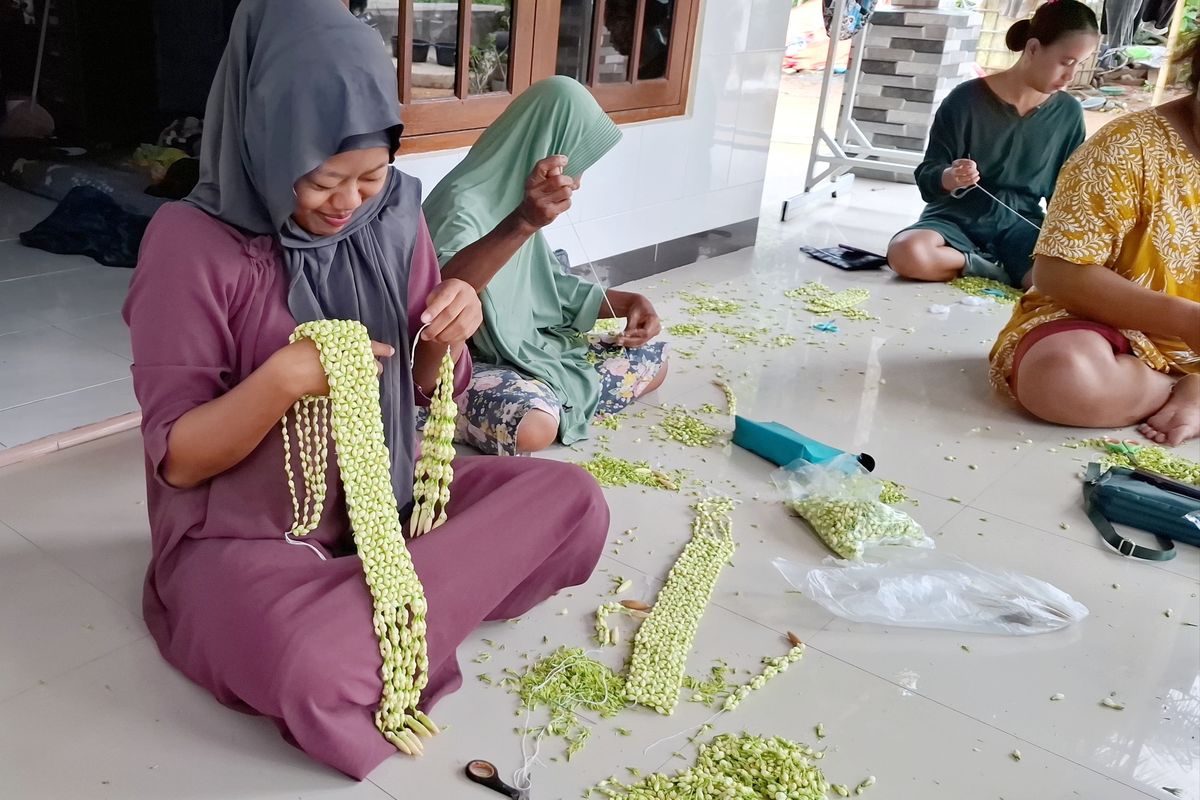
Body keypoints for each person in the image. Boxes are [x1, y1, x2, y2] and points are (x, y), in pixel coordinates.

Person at [122, 0, 608, 779]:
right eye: (323, 181)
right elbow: (179, 461)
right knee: (311, 670)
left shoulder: (395, 214)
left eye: (371, 176)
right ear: (267, 142)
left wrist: (447, 331)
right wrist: (283, 380)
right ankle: (389, 606)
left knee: (576, 504)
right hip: (251, 533)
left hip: (393, 497)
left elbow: (425, 390)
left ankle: (378, 600)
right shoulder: (193, 245)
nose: (349, 203)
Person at [423, 77, 669, 455]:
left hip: (528, 349)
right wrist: (522, 223)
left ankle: (556, 398)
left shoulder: (510, 198)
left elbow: (547, 284)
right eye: (576, 161)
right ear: (545, 149)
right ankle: (443, 411)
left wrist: (631, 302)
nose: (578, 181)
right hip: (466, 361)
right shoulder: (463, 206)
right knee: (535, 425)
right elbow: (443, 296)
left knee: (655, 358)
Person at [989, 33, 1200, 446]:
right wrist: (1186, 320)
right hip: (1118, 332)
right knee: (1063, 377)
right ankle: (1176, 386)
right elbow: (1057, 273)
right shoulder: (1128, 146)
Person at [887, 0, 1099, 288]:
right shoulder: (965, 99)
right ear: (1033, 48)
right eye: (1066, 62)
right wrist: (950, 177)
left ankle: (977, 265)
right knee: (907, 252)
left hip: (1022, 226)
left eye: (1080, 65)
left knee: (1058, 282)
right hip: (954, 219)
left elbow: (1064, 193)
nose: (1071, 76)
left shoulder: (1068, 114)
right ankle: (989, 268)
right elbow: (928, 175)